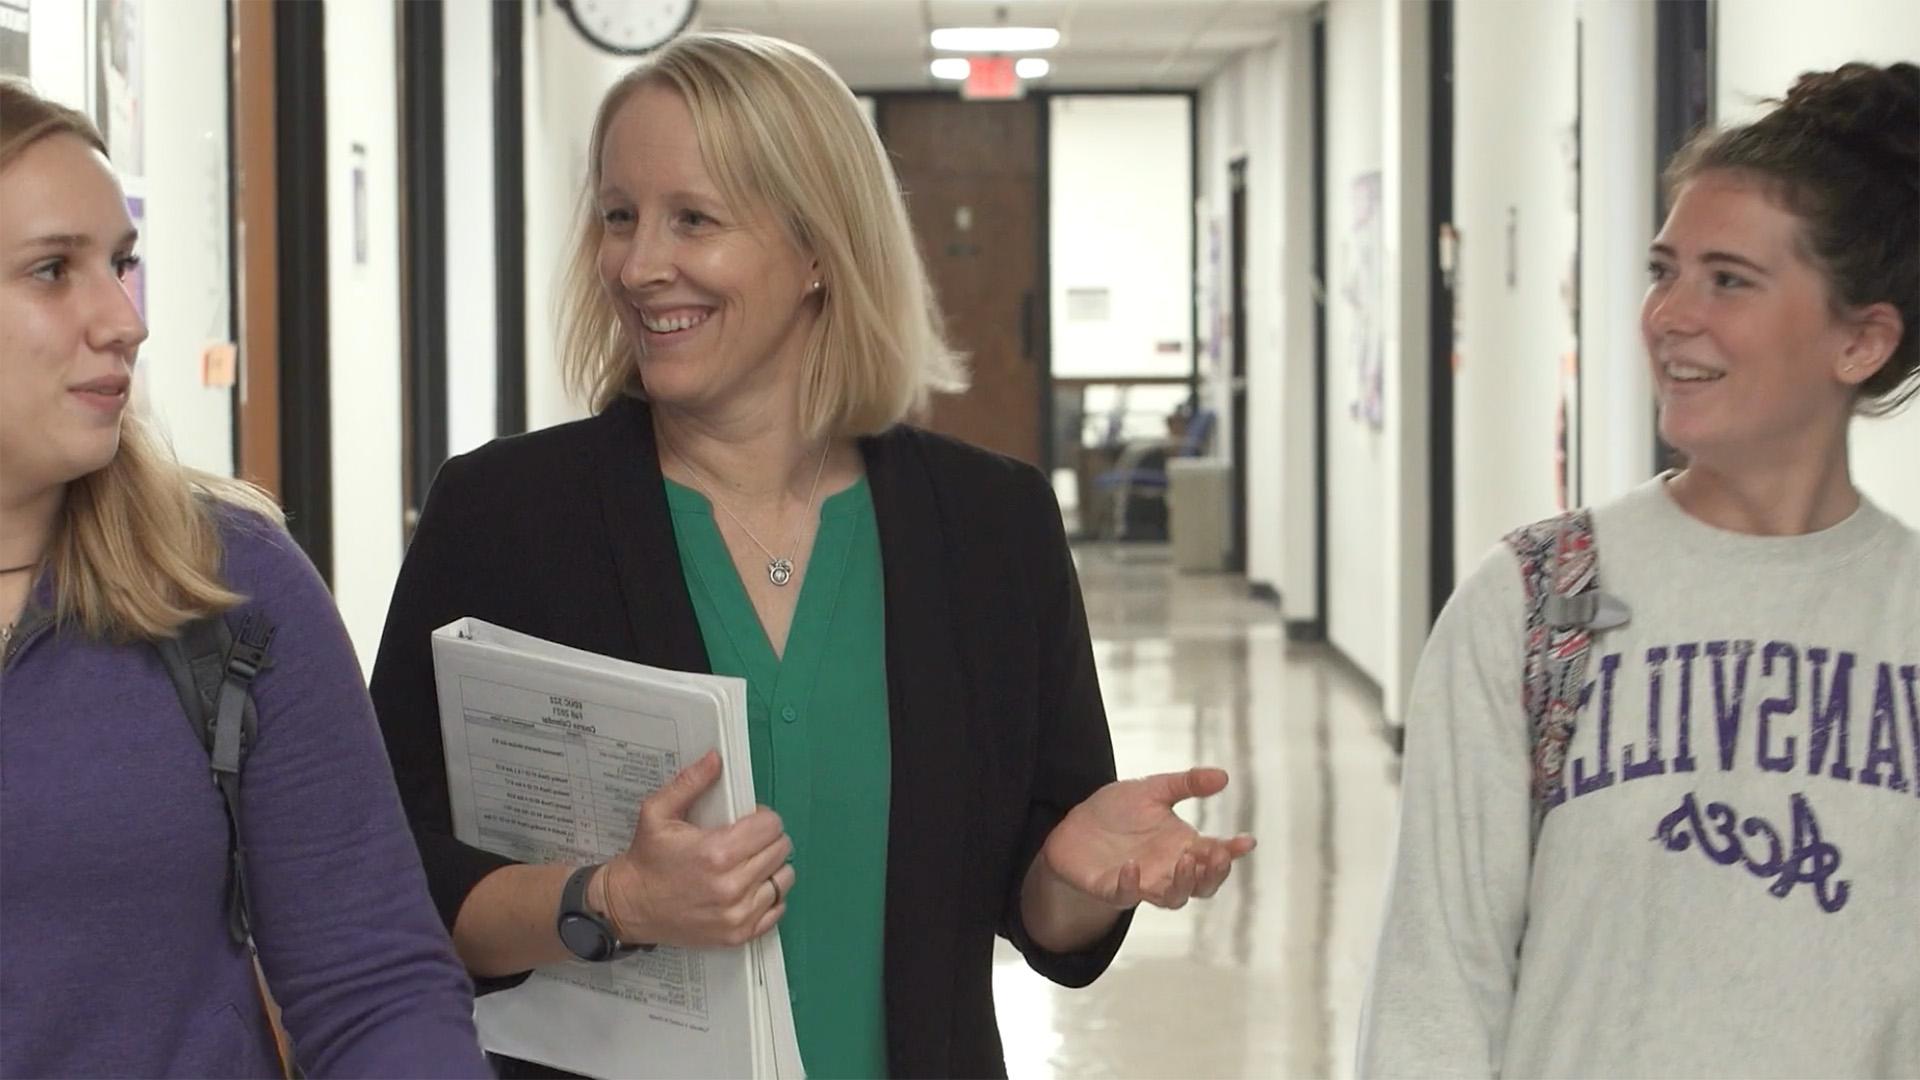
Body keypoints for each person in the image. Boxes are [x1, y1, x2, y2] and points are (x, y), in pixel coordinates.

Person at [369, 30, 1256, 1079]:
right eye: (619, 216)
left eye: (691, 218)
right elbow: (381, 875)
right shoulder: (507, 514)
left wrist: (1068, 879)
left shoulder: (990, 527)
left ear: (819, 253)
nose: (639, 264)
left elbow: (1037, 899)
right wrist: (605, 900)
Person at [1359, 61, 1919, 1077]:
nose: (1670, 316)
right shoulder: (1535, 603)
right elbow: (1434, 989)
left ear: (1861, 340)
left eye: (1728, 281)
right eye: (1665, 270)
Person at [0, 78, 491, 1077]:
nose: (123, 319)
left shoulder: (224, 582)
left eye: (121, 264)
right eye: (53, 270)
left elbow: (375, 987)